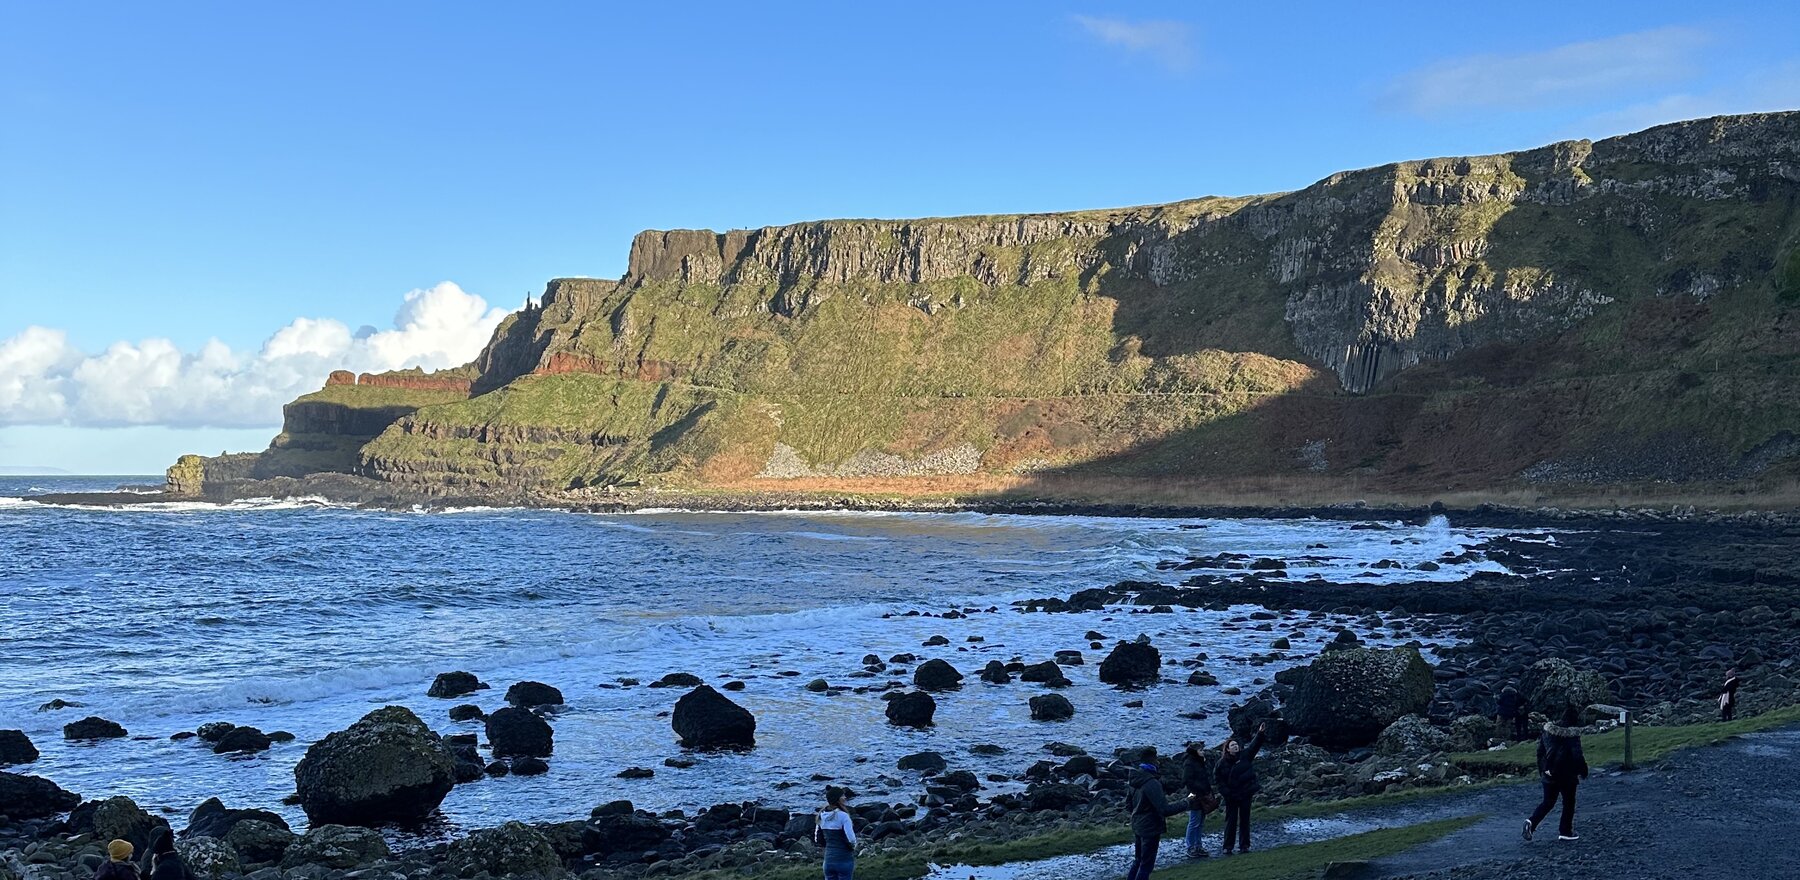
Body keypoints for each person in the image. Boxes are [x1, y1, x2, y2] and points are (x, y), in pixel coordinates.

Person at [1523, 704, 1590, 842]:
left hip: (1548, 773)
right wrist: (1583, 770)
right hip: (1567, 774)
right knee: (1569, 802)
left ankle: (1531, 822)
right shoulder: (1572, 734)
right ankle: (1565, 831)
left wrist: (1543, 769)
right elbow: (1577, 755)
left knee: (1548, 802)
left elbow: (1540, 752)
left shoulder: (1548, 731)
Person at [1124, 758, 1194, 880]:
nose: (1160, 763)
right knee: (1146, 865)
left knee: (1138, 860)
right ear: (1154, 763)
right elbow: (1164, 809)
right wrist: (1186, 802)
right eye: (1157, 760)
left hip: (1138, 824)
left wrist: (1139, 812)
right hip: (1150, 827)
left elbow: (1128, 806)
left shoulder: (1134, 780)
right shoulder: (1152, 783)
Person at [1215, 722, 1267, 855]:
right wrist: (1227, 793)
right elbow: (1219, 781)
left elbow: (1254, 746)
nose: (1236, 746)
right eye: (1232, 745)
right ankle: (1228, 846)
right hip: (1231, 796)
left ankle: (1244, 845)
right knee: (1230, 821)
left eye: (1236, 745)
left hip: (1245, 793)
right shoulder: (1221, 764)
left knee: (1245, 820)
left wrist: (1260, 733)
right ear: (1227, 749)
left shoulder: (1245, 756)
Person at [1180, 742, 1217, 859]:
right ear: (1195, 751)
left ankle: (1198, 846)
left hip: (1202, 795)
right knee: (1194, 822)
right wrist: (1200, 790)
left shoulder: (1199, 762)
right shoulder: (1190, 763)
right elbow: (1187, 780)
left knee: (1199, 822)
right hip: (1195, 796)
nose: (1203, 752)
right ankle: (1191, 847)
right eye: (1200, 750)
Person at [814, 785, 856, 880]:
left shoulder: (821, 816)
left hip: (828, 861)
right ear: (838, 799)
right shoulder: (844, 816)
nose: (845, 797)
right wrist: (852, 847)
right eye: (843, 796)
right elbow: (852, 839)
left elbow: (817, 838)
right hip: (844, 860)